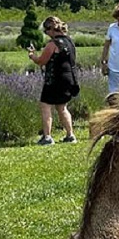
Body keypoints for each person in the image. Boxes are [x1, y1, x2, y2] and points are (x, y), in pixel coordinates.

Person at [27, 15, 78, 144]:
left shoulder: (53, 44)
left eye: (46, 31)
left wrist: (32, 56)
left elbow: (41, 61)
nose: (46, 34)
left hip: (55, 80)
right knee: (62, 107)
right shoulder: (69, 42)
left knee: (45, 106)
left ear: (51, 29)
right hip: (69, 78)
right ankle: (70, 134)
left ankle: (47, 137)